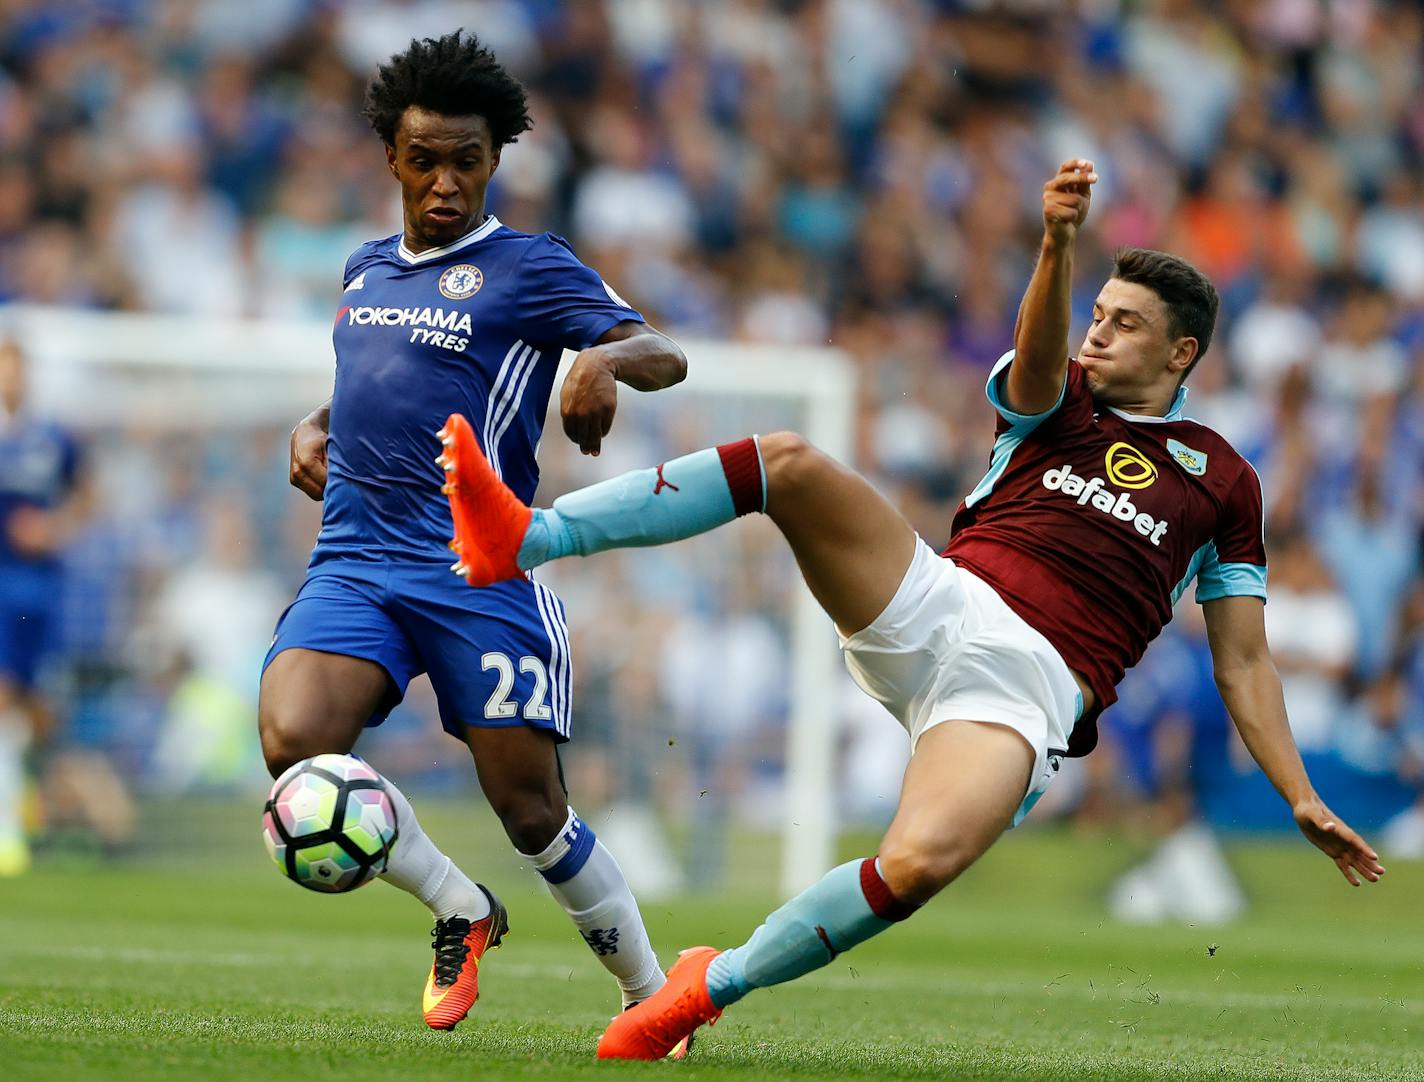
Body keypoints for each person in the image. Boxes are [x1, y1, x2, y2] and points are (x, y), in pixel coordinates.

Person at [436, 158, 1385, 1059]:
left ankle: (704, 985)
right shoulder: (1060, 400)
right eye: (1097, 313)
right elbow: (1043, 359)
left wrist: (1299, 795)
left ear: (1183, 351)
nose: (1098, 333)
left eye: (1125, 324)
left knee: (918, 865)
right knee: (792, 463)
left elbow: (1246, 661)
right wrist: (1054, 245)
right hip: (938, 598)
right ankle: (527, 538)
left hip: (1027, 689)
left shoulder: (1224, 481)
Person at [259, 31, 690, 1035]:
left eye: (466, 160)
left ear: (494, 160)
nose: (445, 181)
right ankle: (459, 904)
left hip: (476, 568)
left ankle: (650, 995)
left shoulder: (529, 266)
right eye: (425, 160)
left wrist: (601, 361)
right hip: (357, 560)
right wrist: (312, 426)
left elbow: (661, 349)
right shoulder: (364, 270)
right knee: (292, 743)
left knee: (532, 810)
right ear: (391, 159)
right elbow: (375, 390)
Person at [0, 339, 92, 875]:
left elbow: (86, 492)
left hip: (44, 591)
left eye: (18, 369)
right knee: (4, 696)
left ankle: (24, 800)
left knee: (39, 713)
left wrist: (57, 528)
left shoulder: (51, 436)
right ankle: (9, 828)